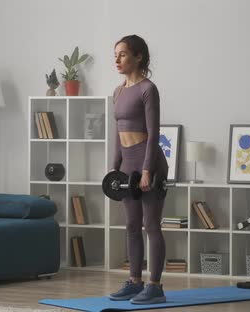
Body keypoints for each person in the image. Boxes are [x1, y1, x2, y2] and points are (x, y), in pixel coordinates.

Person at [107, 34, 169, 305]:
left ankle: (155, 287)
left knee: (150, 225)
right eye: (116, 55)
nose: (117, 60)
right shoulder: (118, 91)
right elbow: (117, 133)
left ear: (138, 57)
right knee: (131, 225)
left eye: (122, 54)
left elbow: (154, 133)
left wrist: (147, 170)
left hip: (149, 162)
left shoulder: (148, 89)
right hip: (127, 164)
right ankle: (134, 282)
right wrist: (113, 169)